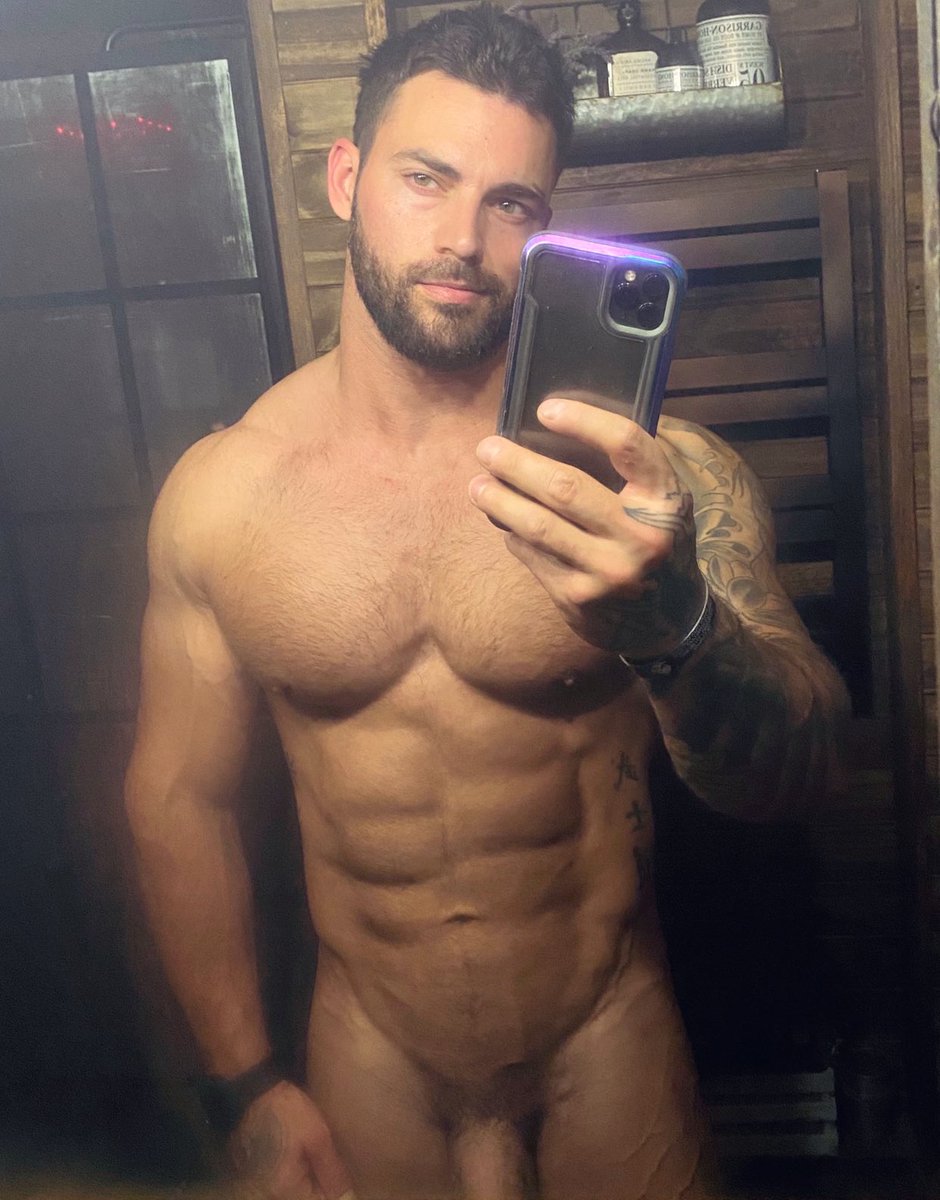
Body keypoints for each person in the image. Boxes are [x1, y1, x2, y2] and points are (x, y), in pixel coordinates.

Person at [124, 6, 849, 1199]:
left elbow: (806, 771)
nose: (462, 239)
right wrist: (244, 1087)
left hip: (606, 1036)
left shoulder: (651, 484)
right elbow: (176, 801)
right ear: (346, 179)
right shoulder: (225, 498)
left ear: (546, 226)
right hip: (370, 1053)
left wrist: (678, 630)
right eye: (425, 178)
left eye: (511, 203)